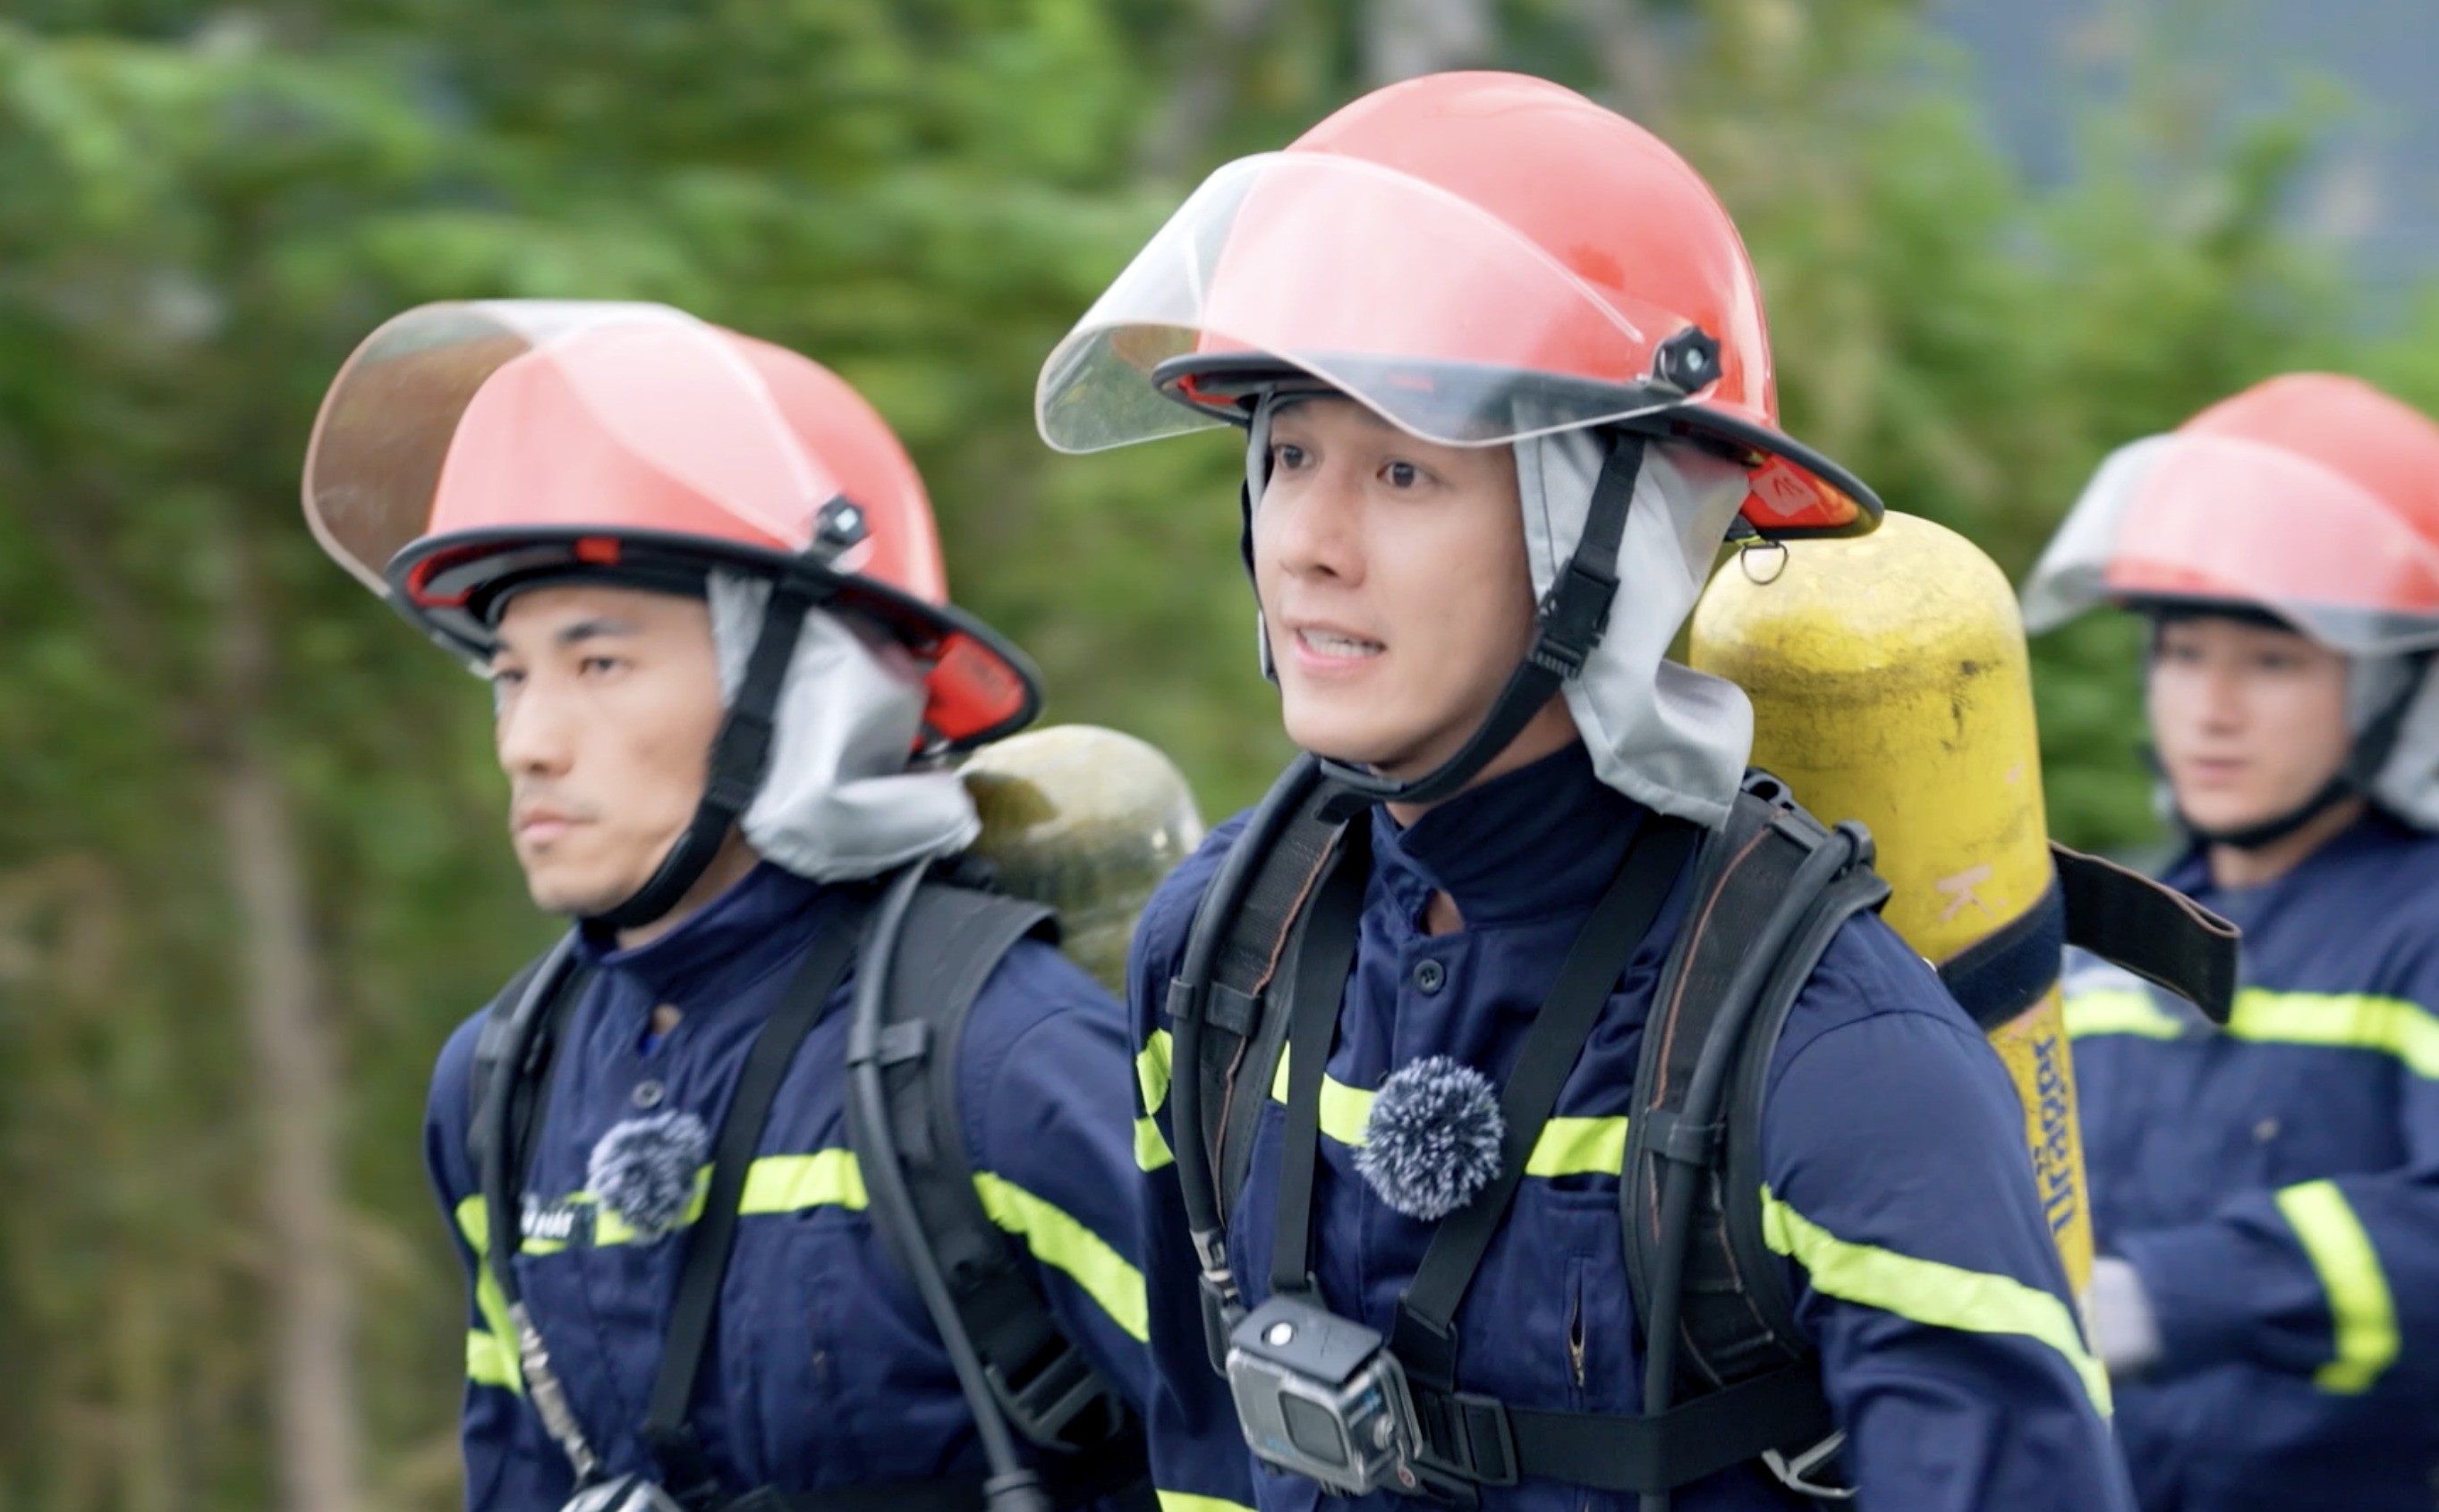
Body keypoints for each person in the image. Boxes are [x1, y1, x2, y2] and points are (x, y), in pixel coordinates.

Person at [1034, 71, 2130, 1512]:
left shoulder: (1843, 1064)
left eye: (1403, 471)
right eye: (1289, 453)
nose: (1308, 540)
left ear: (1601, 541)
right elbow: (1203, 1463)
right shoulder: (1215, 953)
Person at [302, 302, 1151, 1512]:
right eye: (510, 676)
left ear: (806, 690)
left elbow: (1253, 1467)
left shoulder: (1003, 1064)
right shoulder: (500, 1091)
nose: (529, 742)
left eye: (599, 664)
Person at [2021, 371, 2439, 1512]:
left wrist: (2170, 1296)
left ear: (2392, 687)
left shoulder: (2418, 929)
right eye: (2180, 651)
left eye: (2270, 662)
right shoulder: (2104, 934)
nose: (2210, 707)